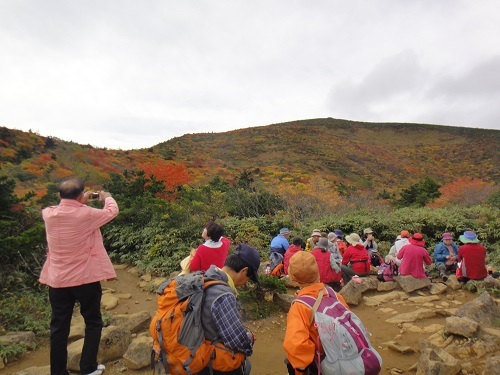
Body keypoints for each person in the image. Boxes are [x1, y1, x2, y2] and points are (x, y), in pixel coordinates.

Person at [39, 177, 119, 375]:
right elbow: (111, 211)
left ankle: (58, 372)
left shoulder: (48, 214)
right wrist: (107, 197)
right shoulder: (86, 214)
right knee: (93, 322)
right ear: (81, 194)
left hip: (57, 280)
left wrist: (79, 200)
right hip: (85, 279)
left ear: (59, 195)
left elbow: (66, 208)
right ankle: (88, 368)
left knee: (58, 327)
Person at [283, 251, 349, 375]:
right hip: (344, 356)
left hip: (323, 363)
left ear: (293, 279)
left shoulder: (300, 307)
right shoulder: (335, 295)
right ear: (317, 272)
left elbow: (297, 346)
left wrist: (300, 371)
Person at [199, 243, 261, 375]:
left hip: (199, 355)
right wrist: (249, 339)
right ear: (244, 271)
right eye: (249, 278)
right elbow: (236, 340)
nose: (246, 282)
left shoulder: (207, 277)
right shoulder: (223, 294)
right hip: (215, 365)